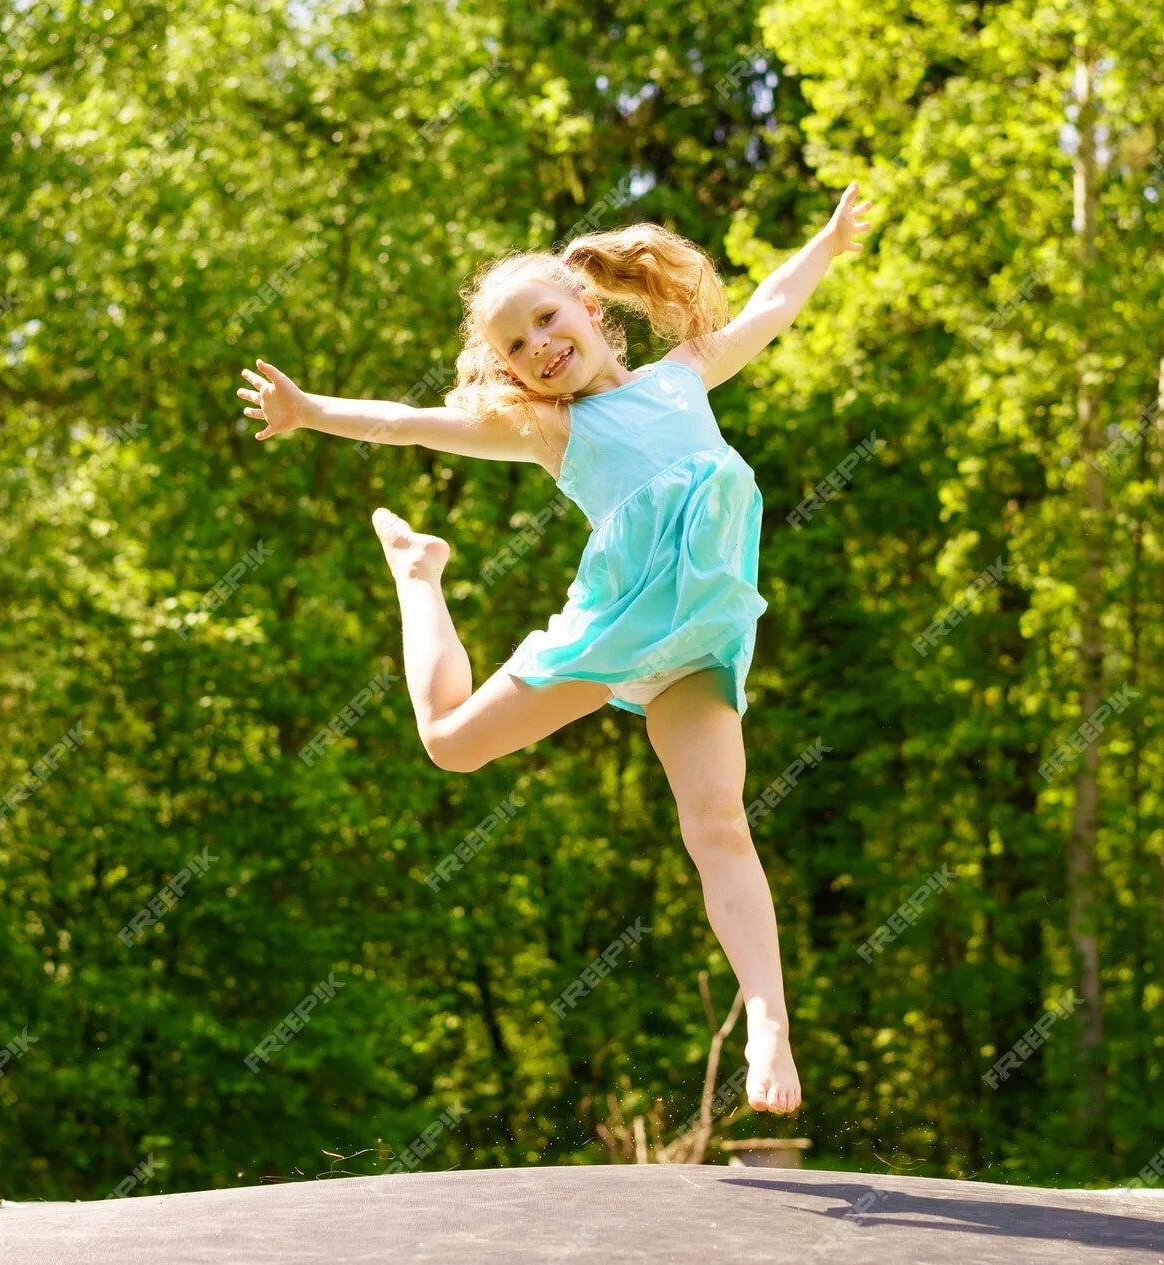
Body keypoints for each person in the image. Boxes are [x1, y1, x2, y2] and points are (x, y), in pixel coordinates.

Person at [235, 184, 874, 1114]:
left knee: (719, 825)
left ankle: (769, 1020)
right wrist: (309, 411)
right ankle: (420, 575)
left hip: (699, 640)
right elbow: (410, 423)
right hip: (617, 632)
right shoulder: (547, 427)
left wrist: (823, 242)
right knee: (449, 742)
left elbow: (773, 303)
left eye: (544, 319)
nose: (537, 346)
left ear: (590, 305)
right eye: (514, 346)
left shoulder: (684, 373)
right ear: (513, 372)